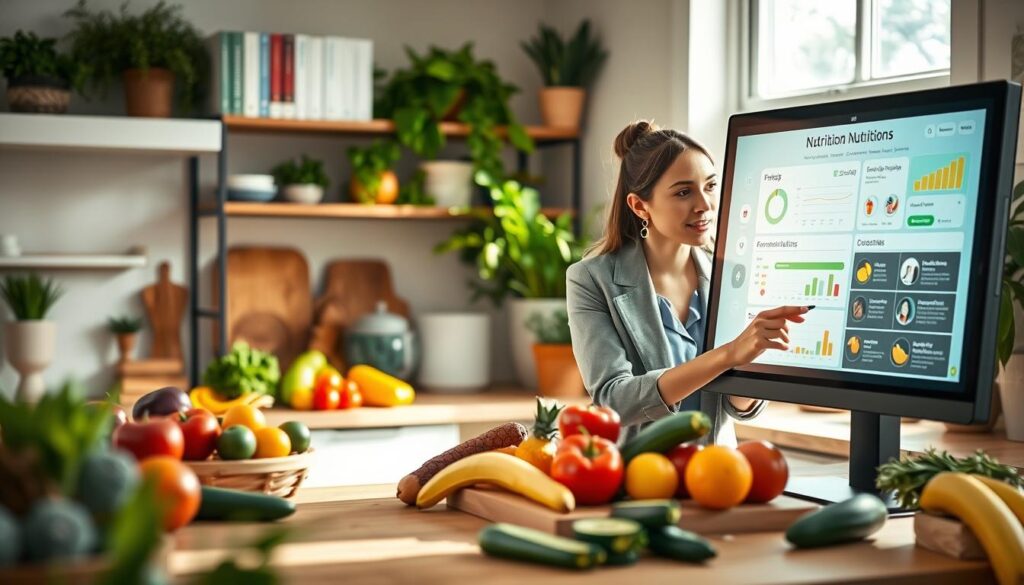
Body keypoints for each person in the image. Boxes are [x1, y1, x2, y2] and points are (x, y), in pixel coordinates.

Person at [566, 121, 811, 446]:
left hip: (716, 477)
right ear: (640, 206)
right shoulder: (590, 279)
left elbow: (738, 408)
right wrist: (728, 355)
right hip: (640, 476)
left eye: (710, 186)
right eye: (684, 192)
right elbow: (613, 400)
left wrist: (751, 365)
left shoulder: (731, 274)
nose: (705, 205)